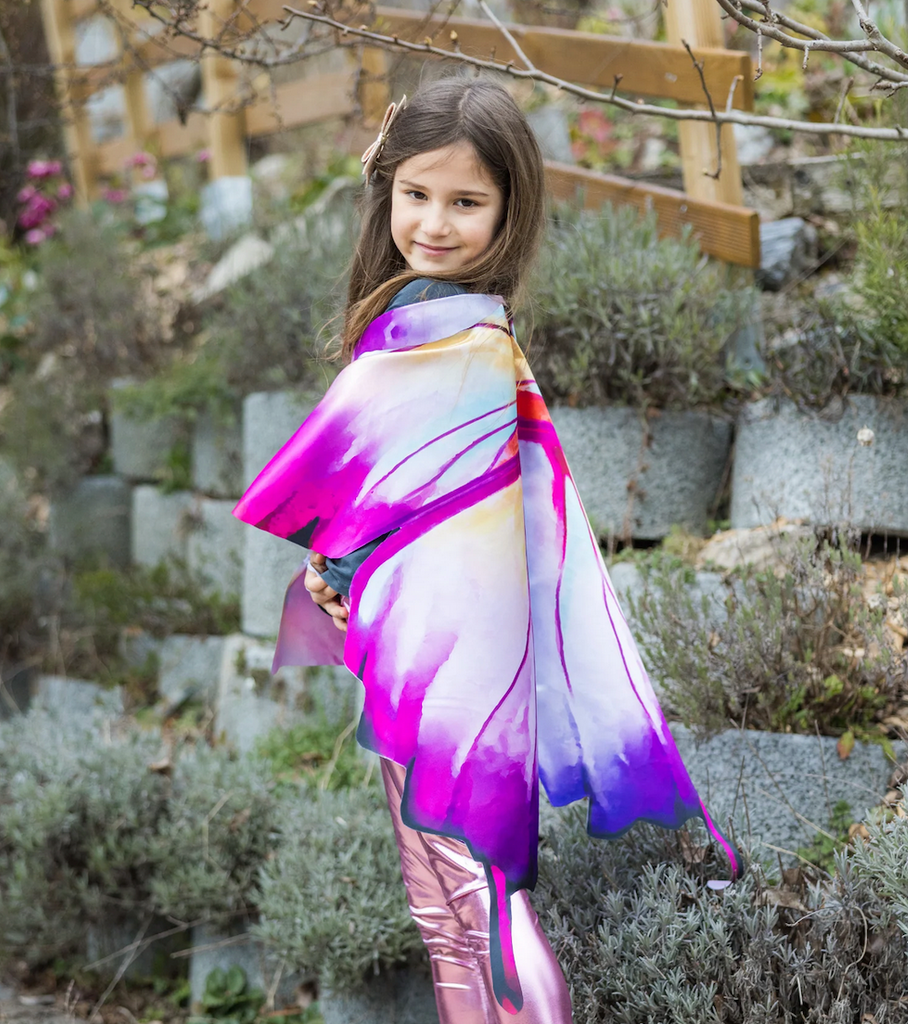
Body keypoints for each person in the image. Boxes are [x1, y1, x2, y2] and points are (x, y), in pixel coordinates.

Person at [233, 75, 740, 1024]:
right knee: (446, 908)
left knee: (481, 911)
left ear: (508, 210)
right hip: (423, 644)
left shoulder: (450, 331)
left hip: (449, 665)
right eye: (417, 193)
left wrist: (332, 568)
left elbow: (392, 497)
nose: (433, 221)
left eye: (467, 201)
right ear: (385, 187)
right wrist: (337, 566)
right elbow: (401, 493)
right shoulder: (441, 321)